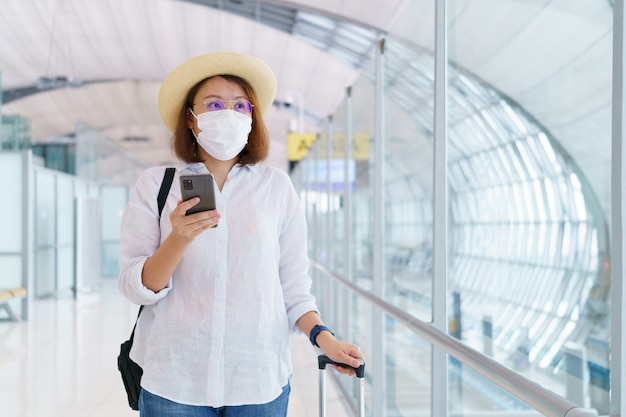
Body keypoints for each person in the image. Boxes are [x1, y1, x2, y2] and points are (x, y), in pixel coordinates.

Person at [118, 51, 364, 416]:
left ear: (252, 119)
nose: (229, 114)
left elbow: (293, 286)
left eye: (241, 107)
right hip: (174, 380)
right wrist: (178, 238)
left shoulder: (276, 187)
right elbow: (134, 286)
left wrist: (324, 339)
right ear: (191, 117)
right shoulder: (156, 184)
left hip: (258, 378)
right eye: (214, 104)